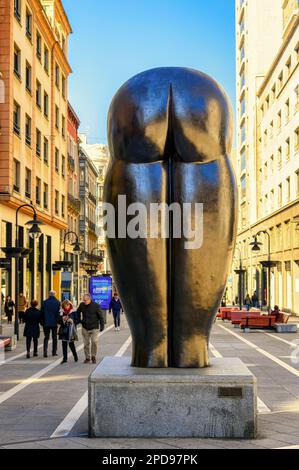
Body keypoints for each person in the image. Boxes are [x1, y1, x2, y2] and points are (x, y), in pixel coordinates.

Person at [77, 294, 105, 364]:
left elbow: (101, 316)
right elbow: (77, 313)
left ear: (89, 299)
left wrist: (102, 326)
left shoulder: (96, 305)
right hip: (85, 327)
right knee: (86, 344)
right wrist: (80, 321)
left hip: (94, 327)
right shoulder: (82, 305)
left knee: (94, 341)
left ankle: (93, 356)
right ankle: (87, 357)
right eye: (83, 300)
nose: (84, 301)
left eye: (85, 300)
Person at [40, 291, 60, 358]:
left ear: (49, 294)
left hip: (46, 322)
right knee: (54, 338)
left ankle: (45, 352)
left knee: (46, 337)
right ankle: (54, 352)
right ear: (55, 295)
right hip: (54, 323)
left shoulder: (44, 302)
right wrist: (58, 322)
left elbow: (41, 313)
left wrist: (42, 322)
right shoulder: (57, 302)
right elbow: (58, 314)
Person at [58, 300, 79, 364]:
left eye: (68, 305)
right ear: (63, 306)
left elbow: (78, 320)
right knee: (64, 344)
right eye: (65, 305)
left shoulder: (73, 311)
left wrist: (72, 321)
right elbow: (58, 320)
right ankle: (65, 358)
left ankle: (75, 356)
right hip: (64, 330)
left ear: (70, 305)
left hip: (71, 330)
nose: (66, 307)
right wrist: (63, 319)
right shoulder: (61, 312)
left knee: (71, 344)